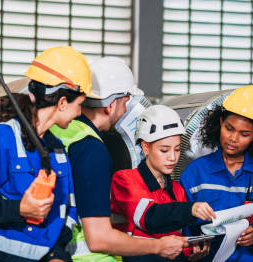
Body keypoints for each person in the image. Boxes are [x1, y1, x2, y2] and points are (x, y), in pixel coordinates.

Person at [0, 46, 90, 262]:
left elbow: (68, 212)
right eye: (80, 105)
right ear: (62, 103)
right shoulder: (1, 137)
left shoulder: (57, 152)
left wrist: (58, 255)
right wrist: (20, 209)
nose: (80, 113)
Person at [49, 57, 187, 261]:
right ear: (111, 105)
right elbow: (98, 239)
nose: (124, 111)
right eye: (125, 103)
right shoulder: (91, 149)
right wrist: (158, 246)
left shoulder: (58, 129)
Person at [180, 85, 253, 261]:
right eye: (229, 128)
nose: (233, 138)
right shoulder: (195, 173)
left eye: (244, 134)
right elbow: (183, 226)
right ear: (220, 123)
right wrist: (193, 248)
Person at [109, 105, 217, 262]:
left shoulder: (177, 190)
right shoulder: (124, 180)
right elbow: (150, 217)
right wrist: (190, 209)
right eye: (164, 150)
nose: (173, 157)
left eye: (178, 149)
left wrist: (192, 251)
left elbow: (175, 242)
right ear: (145, 147)